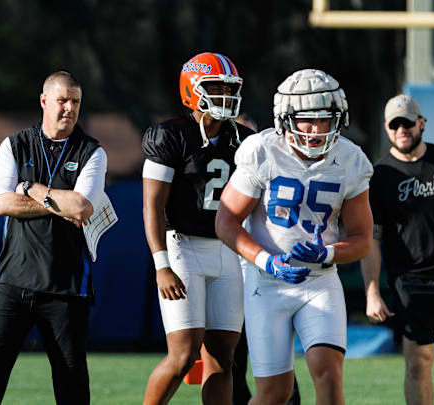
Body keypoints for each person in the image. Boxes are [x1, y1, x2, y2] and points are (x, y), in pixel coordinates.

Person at [215, 68, 373, 405]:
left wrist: (327, 253)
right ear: (286, 119)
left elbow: (361, 239)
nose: (316, 130)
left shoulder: (350, 159)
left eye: (325, 120)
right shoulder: (262, 150)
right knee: (274, 393)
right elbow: (226, 221)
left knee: (329, 376)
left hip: (319, 282)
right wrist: (266, 261)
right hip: (266, 283)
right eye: (306, 120)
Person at [0, 71, 107, 404]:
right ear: (44, 101)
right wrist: (60, 202)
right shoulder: (15, 144)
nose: (69, 108)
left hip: (67, 286)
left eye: (75, 101)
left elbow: (82, 207)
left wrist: (32, 189)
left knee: (71, 382)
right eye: (62, 100)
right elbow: (0, 203)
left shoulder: (92, 152)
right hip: (13, 281)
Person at [141, 52, 252, 405]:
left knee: (223, 358)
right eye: (216, 88)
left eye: (229, 89)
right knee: (184, 354)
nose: (225, 96)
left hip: (227, 250)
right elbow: (152, 205)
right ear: (193, 89)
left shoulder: (245, 139)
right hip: (182, 247)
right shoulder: (170, 135)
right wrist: (161, 264)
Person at [360, 94, 434, 405]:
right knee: (418, 363)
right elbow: (372, 239)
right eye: (395, 124)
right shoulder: (379, 176)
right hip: (410, 283)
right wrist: (372, 291)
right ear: (387, 128)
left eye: (408, 123)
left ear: (421, 123)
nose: (402, 130)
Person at [228, 115, 301, 405]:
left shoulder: (276, 173)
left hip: (266, 279)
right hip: (230, 278)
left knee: (278, 363)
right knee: (230, 361)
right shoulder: (222, 173)